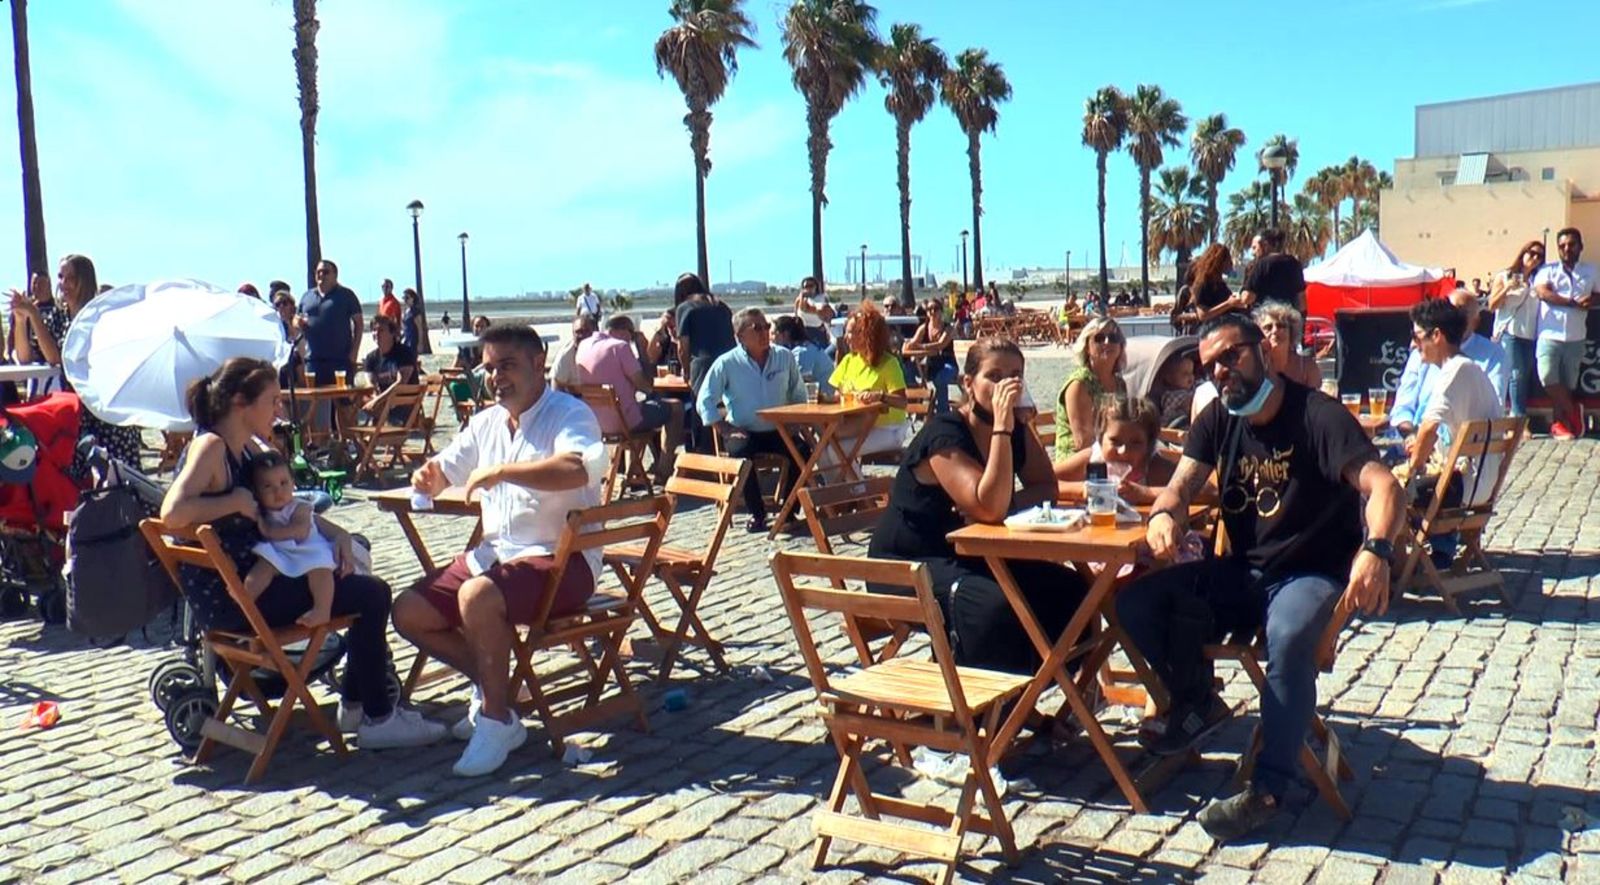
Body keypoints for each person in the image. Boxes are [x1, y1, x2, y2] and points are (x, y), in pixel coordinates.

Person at [1116, 313, 1404, 840]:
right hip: (1241, 573)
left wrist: (1377, 550)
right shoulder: (1219, 420)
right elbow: (1180, 486)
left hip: (1308, 575)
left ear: (1264, 350)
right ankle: (1198, 699)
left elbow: (1384, 486)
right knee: (1134, 605)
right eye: (1210, 366)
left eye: (1232, 355)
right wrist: (1163, 515)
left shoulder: (1317, 415)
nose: (1222, 371)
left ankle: (1269, 788)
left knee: (1292, 637)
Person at [160, 358, 445, 748]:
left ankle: (358, 706)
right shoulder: (212, 446)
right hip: (240, 599)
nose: (280, 409)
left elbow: (283, 509)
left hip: (247, 587)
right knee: (371, 593)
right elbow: (171, 514)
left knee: (353, 570)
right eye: (272, 400)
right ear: (241, 403)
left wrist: (338, 533)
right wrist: (233, 501)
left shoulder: (243, 450)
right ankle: (377, 717)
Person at [392, 326, 608, 777]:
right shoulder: (486, 422)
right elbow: (446, 469)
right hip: (498, 556)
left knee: (477, 597)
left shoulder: (570, 414)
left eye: (506, 365)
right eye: (489, 368)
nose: (495, 378)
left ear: (538, 362)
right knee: (409, 611)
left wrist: (504, 472)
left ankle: (494, 716)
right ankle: (503, 688)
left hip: (562, 559)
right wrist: (427, 478)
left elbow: (576, 469)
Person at [867, 336, 1087, 677]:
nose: (1006, 385)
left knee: (1073, 592)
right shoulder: (946, 434)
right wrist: (1002, 427)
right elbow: (990, 509)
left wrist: (1015, 433)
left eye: (1015, 375)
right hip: (910, 563)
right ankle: (983, 713)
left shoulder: (1013, 428)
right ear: (968, 383)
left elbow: (1046, 487)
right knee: (994, 607)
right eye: (995, 376)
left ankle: (1023, 702)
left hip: (971, 556)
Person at [8, 254, 145, 467]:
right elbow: (26, 356)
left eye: (70, 278)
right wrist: (20, 319)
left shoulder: (99, 317)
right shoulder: (58, 317)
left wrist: (34, 315)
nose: (63, 284)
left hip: (103, 410)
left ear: (85, 279)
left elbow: (57, 357)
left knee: (116, 477)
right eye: (60, 277)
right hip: (75, 411)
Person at [1400, 298, 1504, 570]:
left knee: (1383, 489)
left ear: (1437, 335)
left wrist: (1409, 472)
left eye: (1417, 336)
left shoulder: (1453, 372)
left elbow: (1429, 428)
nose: (1413, 344)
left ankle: (1391, 566)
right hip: (1480, 482)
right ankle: (1415, 561)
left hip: (1464, 487)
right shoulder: (1469, 368)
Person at [695, 308, 808, 533]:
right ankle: (758, 514)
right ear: (740, 335)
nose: (765, 332)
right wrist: (723, 427)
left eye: (767, 326)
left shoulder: (784, 357)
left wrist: (797, 420)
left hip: (779, 430)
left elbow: (799, 395)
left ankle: (789, 512)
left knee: (805, 454)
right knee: (741, 454)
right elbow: (704, 400)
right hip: (745, 430)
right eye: (757, 328)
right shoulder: (726, 363)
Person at [578, 314, 683, 483]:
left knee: (648, 408)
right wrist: (641, 348)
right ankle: (664, 471)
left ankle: (633, 471)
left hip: (597, 422)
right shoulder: (619, 347)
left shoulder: (584, 345)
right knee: (675, 407)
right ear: (625, 331)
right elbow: (645, 385)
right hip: (625, 421)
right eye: (631, 334)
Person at [1390, 289, 1507, 436]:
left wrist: (1423, 443)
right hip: (1416, 439)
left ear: (1476, 322)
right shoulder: (1422, 352)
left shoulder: (1467, 363)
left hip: (1452, 447)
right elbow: (1402, 406)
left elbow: (1491, 411)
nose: (1413, 344)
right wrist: (1410, 435)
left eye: (1459, 312)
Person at [245, 451, 338, 628]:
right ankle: (244, 602)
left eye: (283, 483)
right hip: (279, 551)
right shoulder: (261, 511)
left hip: (306, 549)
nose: (277, 491)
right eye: (267, 487)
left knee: (321, 570)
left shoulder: (299, 507)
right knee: (263, 566)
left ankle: (322, 609)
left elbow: (300, 531)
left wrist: (269, 531)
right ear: (255, 492)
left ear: (293, 484)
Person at [1053, 395, 1179, 505]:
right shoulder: (1092, 461)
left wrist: (1146, 493)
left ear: (1148, 446)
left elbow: (1194, 490)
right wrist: (1083, 490)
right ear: (1101, 440)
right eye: (1115, 441)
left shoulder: (1153, 467)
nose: (1123, 451)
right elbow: (1042, 482)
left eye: (1136, 443)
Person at [1533, 227, 1597, 440]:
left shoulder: (1591, 271)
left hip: (1576, 336)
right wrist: (1571, 303)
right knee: (1548, 378)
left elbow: (1598, 295)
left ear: (1580, 246)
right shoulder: (1547, 270)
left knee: (1568, 384)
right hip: (1549, 335)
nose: (1566, 249)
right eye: (1562, 246)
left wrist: (1592, 301)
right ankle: (1573, 411)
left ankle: (1560, 424)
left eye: (1571, 245)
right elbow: (1543, 292)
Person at [829, 308, 910, 459]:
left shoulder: (888, 363)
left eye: (852, 332)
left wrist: (880, 396)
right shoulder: (848, 360)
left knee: (836, 451)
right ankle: (846, 483)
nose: (846, 337)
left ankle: (856, 483)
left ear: (867, 334)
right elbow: (837, 396)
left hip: (888, 428)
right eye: (846, 332)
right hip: (856, 424)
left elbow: (902, 402)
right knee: (822, 448)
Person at [1055, 315, 1128, 459]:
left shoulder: (1120, 384)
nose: (1107, 342)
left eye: (1113, 338)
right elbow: (1083, 442)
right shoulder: (1079, 384)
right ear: (1087, 347)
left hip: (1110, 454)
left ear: (1121, 347)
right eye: (1099, 338)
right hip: (1077, 462)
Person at [1488, 240, 1545, 421]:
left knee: (1524, 375)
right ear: (1523, 253)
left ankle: (1514, 415)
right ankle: (1518, 418)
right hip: (1509, 333)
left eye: (1539, 256)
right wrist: (1507, 288)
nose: (1535, 258)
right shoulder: (1505, 276)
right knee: (1516, 375)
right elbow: (1492, 305)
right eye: (1532, 253)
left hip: (1529, 334)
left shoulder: (1538, 280)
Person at [296, 260, 363, 387]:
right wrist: (297, 322)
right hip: (313, 361)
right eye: (318, 272)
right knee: (316, 403)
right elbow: (296, 318)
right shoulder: (307, 296)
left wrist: (354, 353)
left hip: (340, 361)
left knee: (344, 404)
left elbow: (359, 325)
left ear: (335, 276)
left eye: (325, 272)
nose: (321, 275)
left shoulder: (346, 295)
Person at [1173, 244, 1248, 334]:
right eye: (1227, 260)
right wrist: (1228, 304)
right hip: (1207, 335)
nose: (1230, 263)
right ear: (1219, 261)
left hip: (1222, 331)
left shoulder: (1220, 284)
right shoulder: (1203, 284)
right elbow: (1203, 315)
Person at [903, 298, 959, 412]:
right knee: (908, 369)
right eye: (929, 309)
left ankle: (942, 412)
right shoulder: (924, 328)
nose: (932, 312)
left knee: (940, 379)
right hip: (930, 365)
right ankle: (916, 402)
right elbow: (912, 343)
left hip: (947, 364)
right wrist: (906, 345)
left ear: (941, 311)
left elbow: (940, 345)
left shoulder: (948, 328)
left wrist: (922, 346)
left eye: (935, 309)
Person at [1254, 303, 1322, 389]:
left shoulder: (1307, 367)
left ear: (1291, 332)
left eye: (1281, 326)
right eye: (1268, 327)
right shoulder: (1253, 369)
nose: (1275, 331)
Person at [1240, 228, 1306, 312]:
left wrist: (1241, 295)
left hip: (1264, 317)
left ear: (1265, 244)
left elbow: (1247, 298)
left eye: (1256, 247)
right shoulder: (1295, 264)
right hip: (1288, 317)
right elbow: (1301, 299)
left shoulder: (1262, 264)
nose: (1253, 253)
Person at [773, 314, 835, 399]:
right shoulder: (806, 347)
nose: (771, 338)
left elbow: (802, 384)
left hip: (826, 401)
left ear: (785, 334)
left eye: (774, 333)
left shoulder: (802, 353)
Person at [550, 315, 596, 394]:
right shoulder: (566, 354)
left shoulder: (604, 350)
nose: (582, 336)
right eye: (578, 332)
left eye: (586, 331)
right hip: (575, 399)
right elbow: (556, 386)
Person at [793, 276, 834, 349]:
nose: (809, 288)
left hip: (818, 329)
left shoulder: (822, 298)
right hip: (804, 329)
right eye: (806, 286)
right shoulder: (800, 300)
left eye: (811, 286)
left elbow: (808, 309)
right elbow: (798, 313)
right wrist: (802, 296)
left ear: (816, 286)